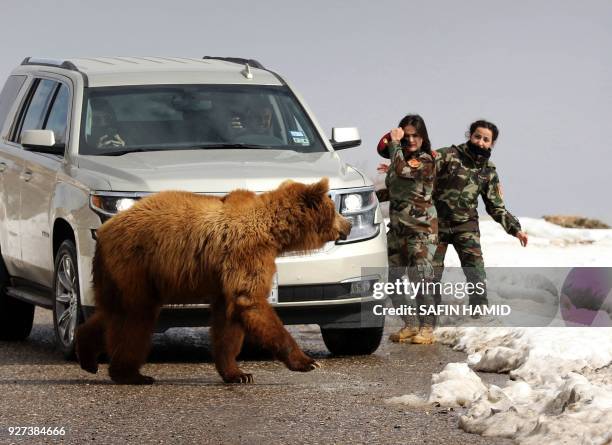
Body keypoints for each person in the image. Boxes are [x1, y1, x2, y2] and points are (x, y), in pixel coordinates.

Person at [433, 120, 528, 310]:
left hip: (466, 227)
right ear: (470, 135)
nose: (480, 142)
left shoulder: (488, 171)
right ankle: (428, 319)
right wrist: (400, 167)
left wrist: (516, 230)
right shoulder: (447, 155)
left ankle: (479, 315)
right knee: (429, 274)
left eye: (486, 140)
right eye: (477, 137)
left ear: (491, 144)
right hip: (436, 225)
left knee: (475, 273)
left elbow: (495, 206)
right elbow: (421, 170)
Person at [383, 114, 439, 344]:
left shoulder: (426, 160)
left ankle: (427, 328)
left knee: (421, 279)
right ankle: (410, 323)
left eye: (415, 135)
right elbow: (395, 189)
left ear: (423, 137)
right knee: (394, 280)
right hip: (397, 229)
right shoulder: (400, 159)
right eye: (406, 136)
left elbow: (401, 172)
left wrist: (394, 144)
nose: (411, 139)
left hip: (421, 230)